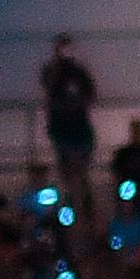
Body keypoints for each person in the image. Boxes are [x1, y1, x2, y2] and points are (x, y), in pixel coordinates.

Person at [39, 37, 99, 187]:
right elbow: (48, 88)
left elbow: (91, 94)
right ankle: (68, 198)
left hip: (79, 124)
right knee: (65, 166)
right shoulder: (51, 71)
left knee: (81, 167)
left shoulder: (79, 72)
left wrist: (78, 103)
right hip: (60, 125)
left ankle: (82, 199)